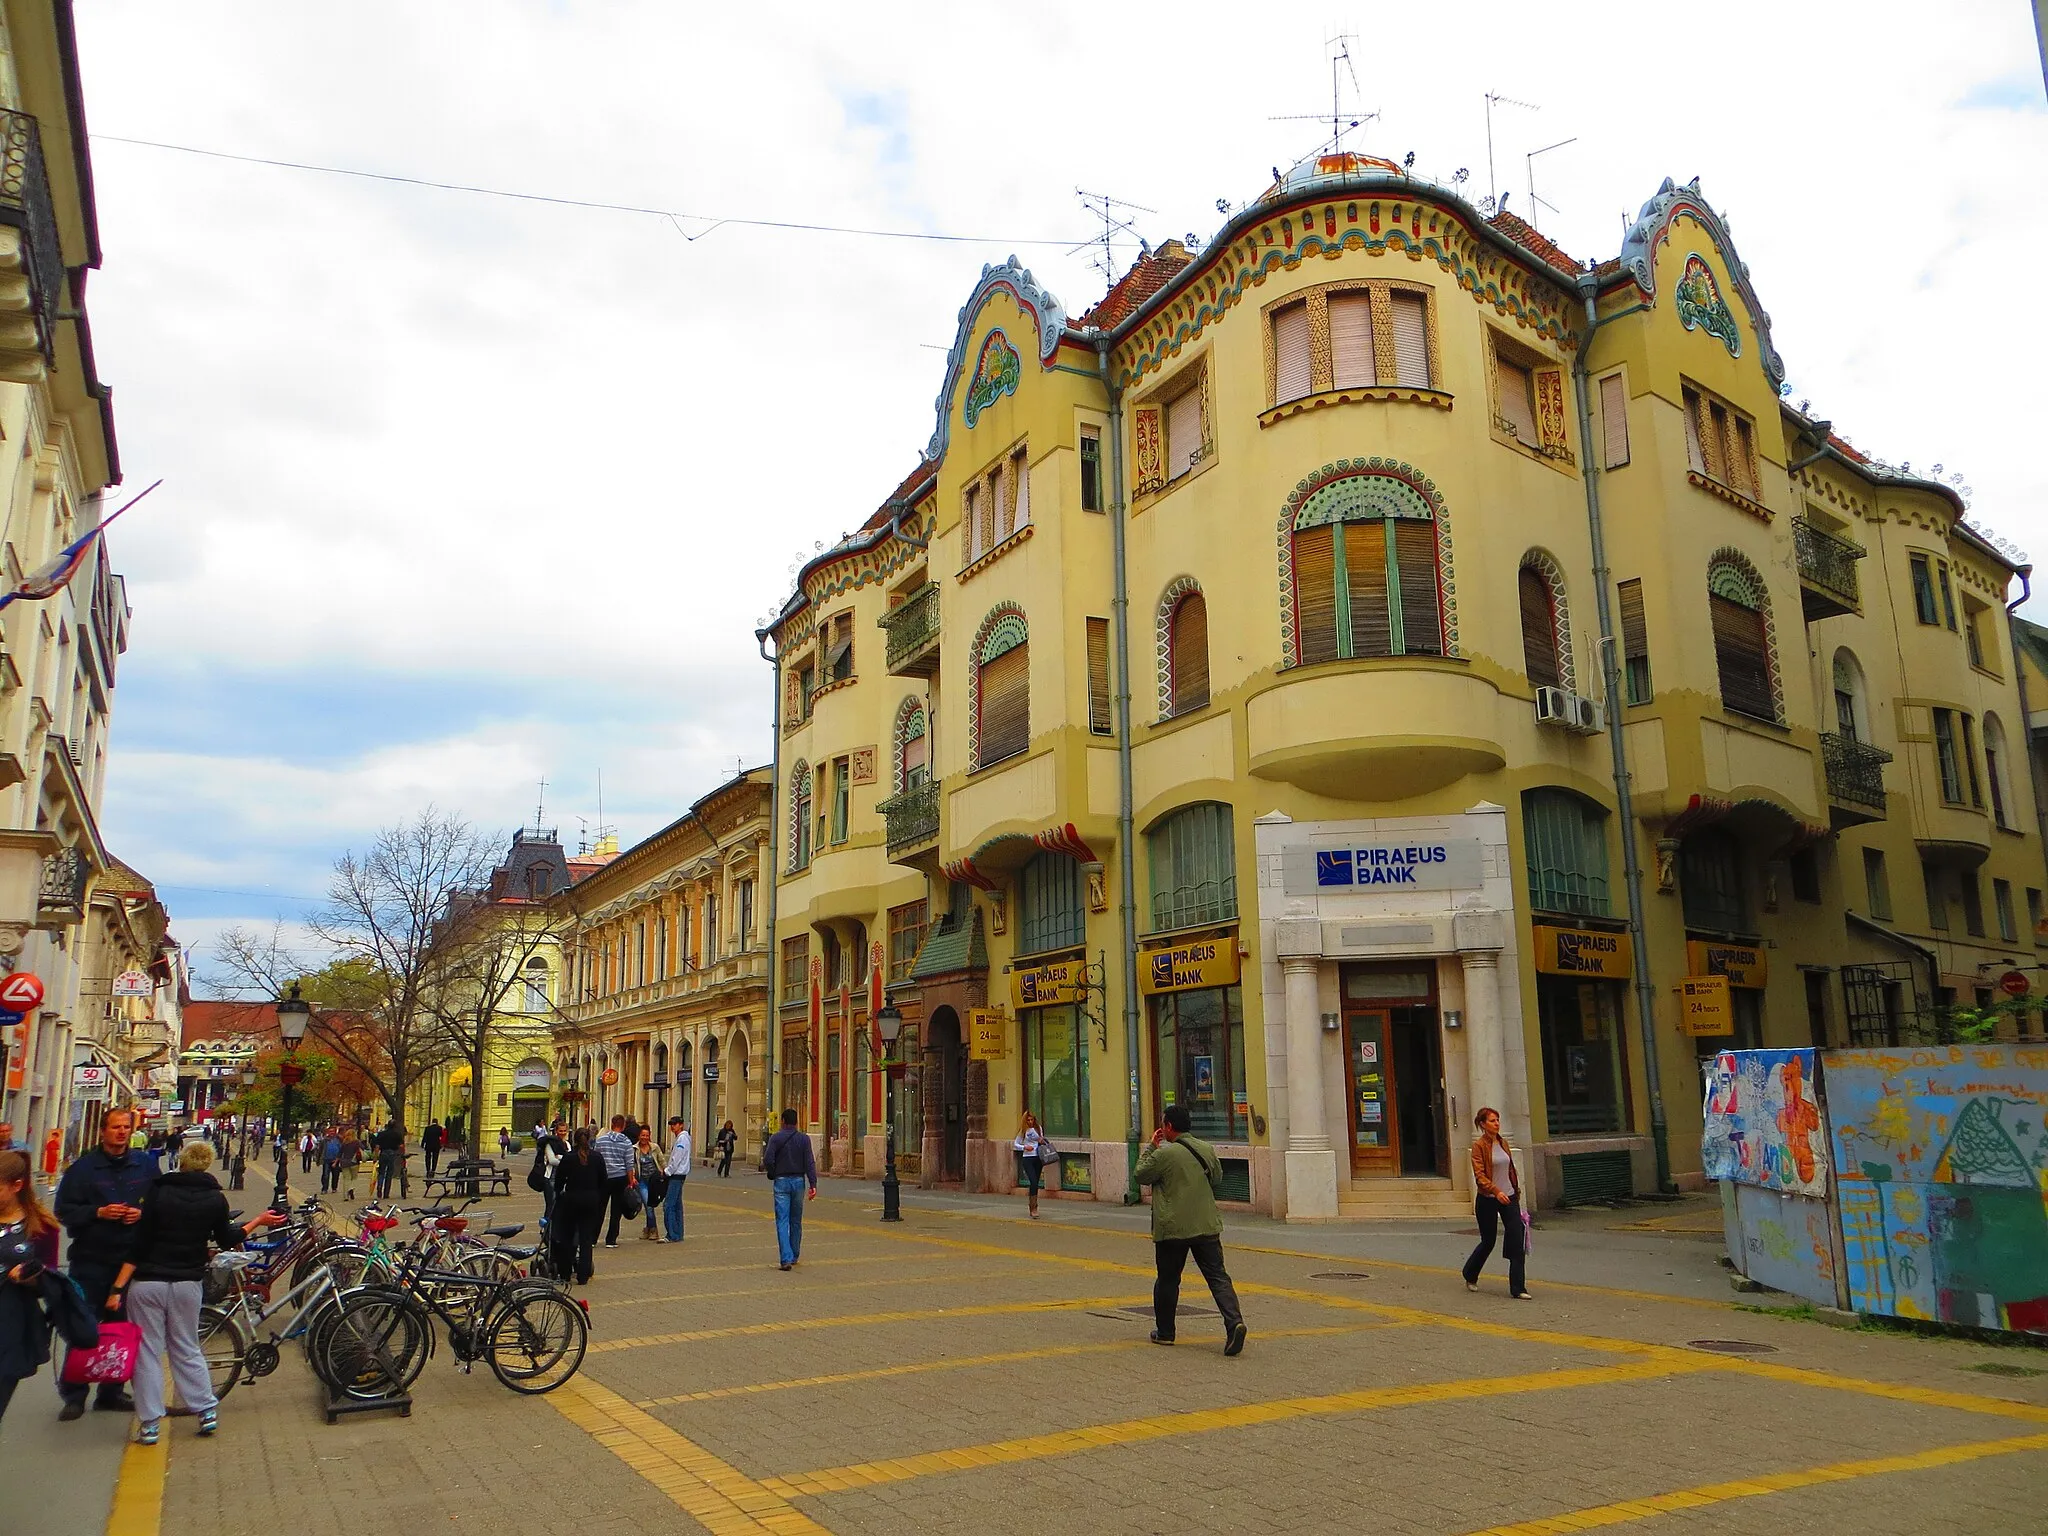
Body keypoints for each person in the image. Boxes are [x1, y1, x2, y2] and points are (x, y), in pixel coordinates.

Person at [108, 1141, 283, 1443]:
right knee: (187, 1347)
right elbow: (228, 1239)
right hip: (187, 1283)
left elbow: (139, 1244)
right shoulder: (215, 1199)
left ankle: (150, 1424)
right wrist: (258, 1221)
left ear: (182, 1163)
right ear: (208, 1164)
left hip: (148, 1282)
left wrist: (117, 1287)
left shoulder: (158, 1192)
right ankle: (206, 1410)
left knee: (147, 1352)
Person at [52, 1106, 157, 1418]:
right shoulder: (83, 1170)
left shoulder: (146, 1165)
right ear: (102, 1131)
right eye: (115, 1127)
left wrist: (143, 1214)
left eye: (126, 1127)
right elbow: (63, 1211)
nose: (121, 1132)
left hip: (130, 1260)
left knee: (121, 1329)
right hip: (91, 1259)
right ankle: (74, 1394)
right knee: (84, 1326)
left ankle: (110, 1392)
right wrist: (98, 1212)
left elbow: (159, 1205)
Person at [1133, 1104, 1247, 1356]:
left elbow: (1140, 1174)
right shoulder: (1205, 1149)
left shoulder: (1164, 1154)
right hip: (1206, 1225)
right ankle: (1234, 1322)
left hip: (1173, 1227)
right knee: (1218, 1277)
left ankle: (1165, 1333)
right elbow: (1217, 1178)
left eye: (1163, 1124)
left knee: (1168, 1279)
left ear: (1169, 1127)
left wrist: (1151, 1146)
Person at [0, 1148, 61, 1423]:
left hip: (11, 1328)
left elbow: (50, 1282)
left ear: (17, 1185)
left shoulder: (42, 1227)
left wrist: (31, 1277)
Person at [1462, 1107, 1530, 1300]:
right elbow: (1480, 1176)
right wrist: (1495, 1191)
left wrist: (1514, 1190)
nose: (1497, 1123)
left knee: (1517, 1239)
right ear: (1483, 1124)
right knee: (1488, 1241)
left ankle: (1518, 1288)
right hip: (1488, 1199)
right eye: (1492, 1121)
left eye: (1498, 1120)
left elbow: (1510, 1169)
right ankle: (1470, 1273)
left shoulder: (1504, 1143)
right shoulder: (1479, 1146)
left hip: (1509, 1197)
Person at [549, 1128, 609, 1285]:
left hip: (572, 1200)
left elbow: (559, 1181)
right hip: (591, 1201)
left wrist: (559, 1193)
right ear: (589, 1139)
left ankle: (565, 1273)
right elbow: (604, 1181)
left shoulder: (569, 1158)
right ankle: (583, 1276)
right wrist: (597, 1196)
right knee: (586, 1239)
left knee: (567, 1238)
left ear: (574, 1140)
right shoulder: (597, 1157)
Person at [761, 1108, 817, 1271]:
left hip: (782, 1181)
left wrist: (773, 1173)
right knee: (796, 1220)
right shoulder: (804, 1139)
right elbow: (810, 1162)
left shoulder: (776, 1138)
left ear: (783, 1121)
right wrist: (813, 1183)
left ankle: (785, 1258)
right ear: (796, 1122)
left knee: (782, 1220)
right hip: (799, 1181)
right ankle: (794, 1254)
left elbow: (768, 1159)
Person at [592, 1115, 637, 1249]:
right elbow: (629, 1165)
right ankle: (611, 1239)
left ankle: (593, 1238)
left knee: (599, 1209)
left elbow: (596, 1159)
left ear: (612, 1124)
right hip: (620, 1178)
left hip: (604, 1178)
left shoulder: (601, 1140)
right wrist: (631, 1181)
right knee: (616, 1211)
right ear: (623, 1126)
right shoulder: (627, 1143)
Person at [1013, 1111, 1050, 1219]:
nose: (1030, 1122)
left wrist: (1041, 1141)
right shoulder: (1023, 1131)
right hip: (1027, 1158)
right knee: (1033, 1181)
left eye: (1032, 1119)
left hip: (1038, 1157)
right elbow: (1016, 1143)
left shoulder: (1038, 1128)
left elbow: (1041, 1140)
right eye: (1028, 1120)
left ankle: (1034, 1205)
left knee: (1036, 1183)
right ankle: (1033, 1207)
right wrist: (1024, 1147)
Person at [662, 1116, 692, 1241]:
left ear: (681, 1125)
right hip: (679, 1175)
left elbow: (677, 1159)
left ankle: (672, 1234)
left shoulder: (682, 1139)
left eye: (675, 1124)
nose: (672, 1127)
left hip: (676, 1175)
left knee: (669, 1205)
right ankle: (678, 1233)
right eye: (671, 1124)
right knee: (677, 1205)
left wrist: (667, 1171)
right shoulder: (682, 1138)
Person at [634, 1127, 664, 1241]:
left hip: (654, 1182)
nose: (644, 1138)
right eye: (642, 1135)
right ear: (639, 1136)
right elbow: (632, 1164)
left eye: (646, 1135)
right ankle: (653, 1229)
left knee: (649, 1205)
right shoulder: (635, 1149)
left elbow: (661, 1160)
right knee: (648, 1205)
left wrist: (665, 1172)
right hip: (642, 1181)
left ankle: (648, 1228)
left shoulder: (655, 1147)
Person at [373, 1120, 403, 1200]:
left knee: (381, 1172)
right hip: (392, 1154)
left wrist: (375, 1157)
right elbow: (401, 1146)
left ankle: (379, 1186)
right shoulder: (397, 1134)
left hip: (383, 1153)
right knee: (389, 1174)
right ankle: (386, 1193)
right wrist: (401, 1155)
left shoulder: (381, 1134)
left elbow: (377, 1146)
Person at [321, 1129, 343, 1193]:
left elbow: (341, 1149)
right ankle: (324, 1188)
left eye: (333, 1131)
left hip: (335, 1160)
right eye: (330, 1131)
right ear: (328, 1132)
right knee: (325, 1175)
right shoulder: (324, 1140)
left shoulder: (338, 1140)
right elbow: (320, 1149)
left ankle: (334, 1188)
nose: (332, 1133)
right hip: (326, 1160)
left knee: (335, 1175)